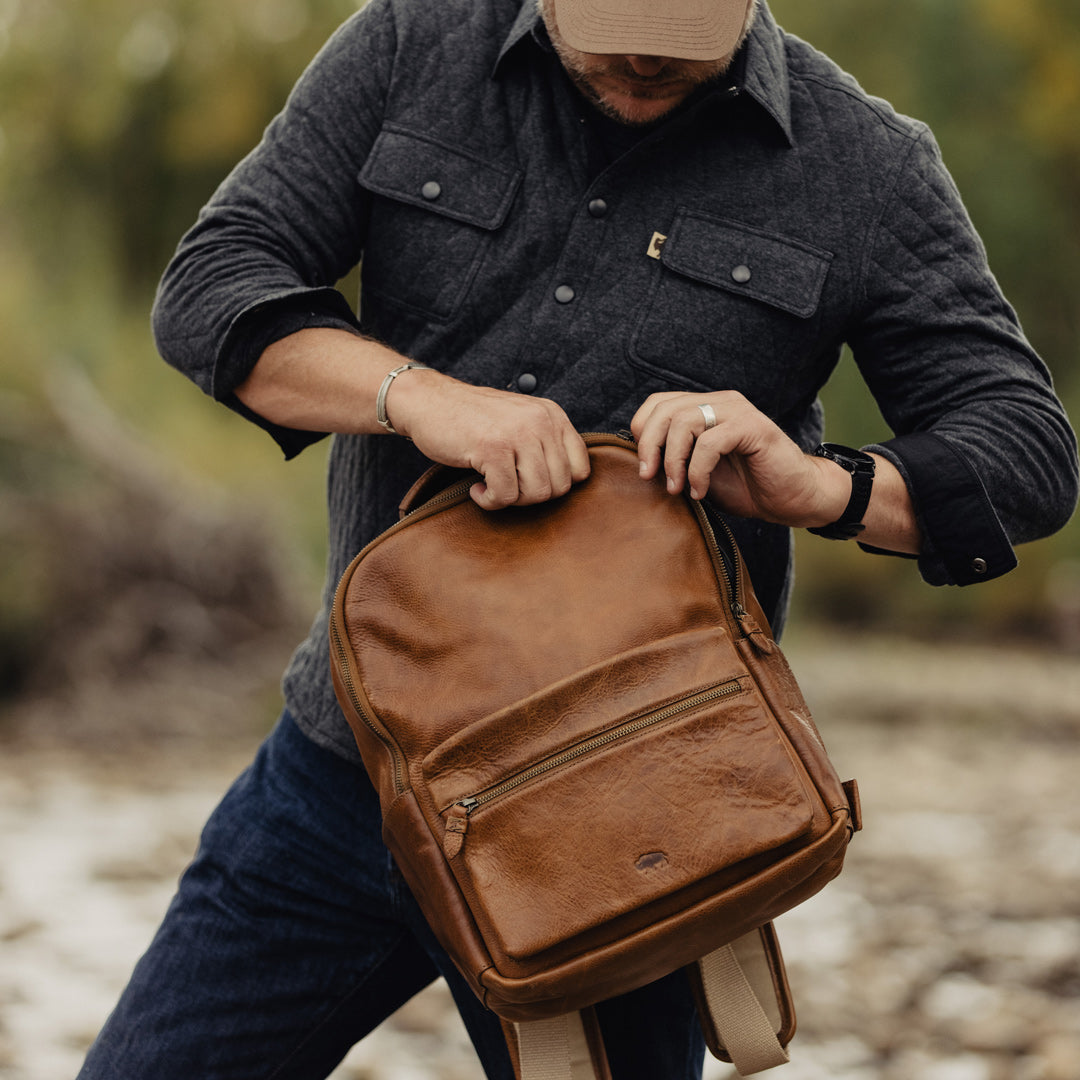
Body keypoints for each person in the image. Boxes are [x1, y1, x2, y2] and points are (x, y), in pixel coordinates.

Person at [79, 0, 1077, 1076]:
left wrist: (818, 487)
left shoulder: (867, 164)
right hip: (340, 784)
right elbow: (213, 287)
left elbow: (1026, 452)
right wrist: (415, 397)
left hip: (635, 824)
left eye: (680, 30)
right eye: (615, 23)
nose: (646, 55)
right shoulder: (409, 45)